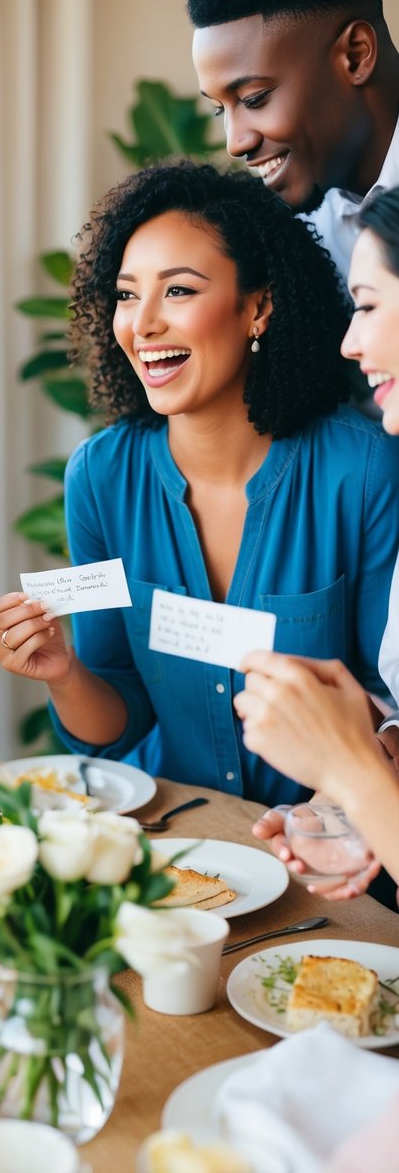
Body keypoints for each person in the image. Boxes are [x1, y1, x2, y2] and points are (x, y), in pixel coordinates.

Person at [0, 161, 399, 809]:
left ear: (257, 307)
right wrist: (64, 675)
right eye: (125, 294)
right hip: (172, 852)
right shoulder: (99, 478)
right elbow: (118, 718)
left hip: (330, 856)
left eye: (177, 291)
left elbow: (389, 707)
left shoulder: (363, 471)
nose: (142, 324)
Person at [235, 185, 399, 891]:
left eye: (366, 305)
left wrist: (346, 768)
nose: (349, 342)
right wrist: (369, 781)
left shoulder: (360, 467)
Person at [188, 0, 399, 281]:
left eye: (253, 99)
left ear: (356, 56)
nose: (235, 143)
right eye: (220, 109)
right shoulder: (293, 241)